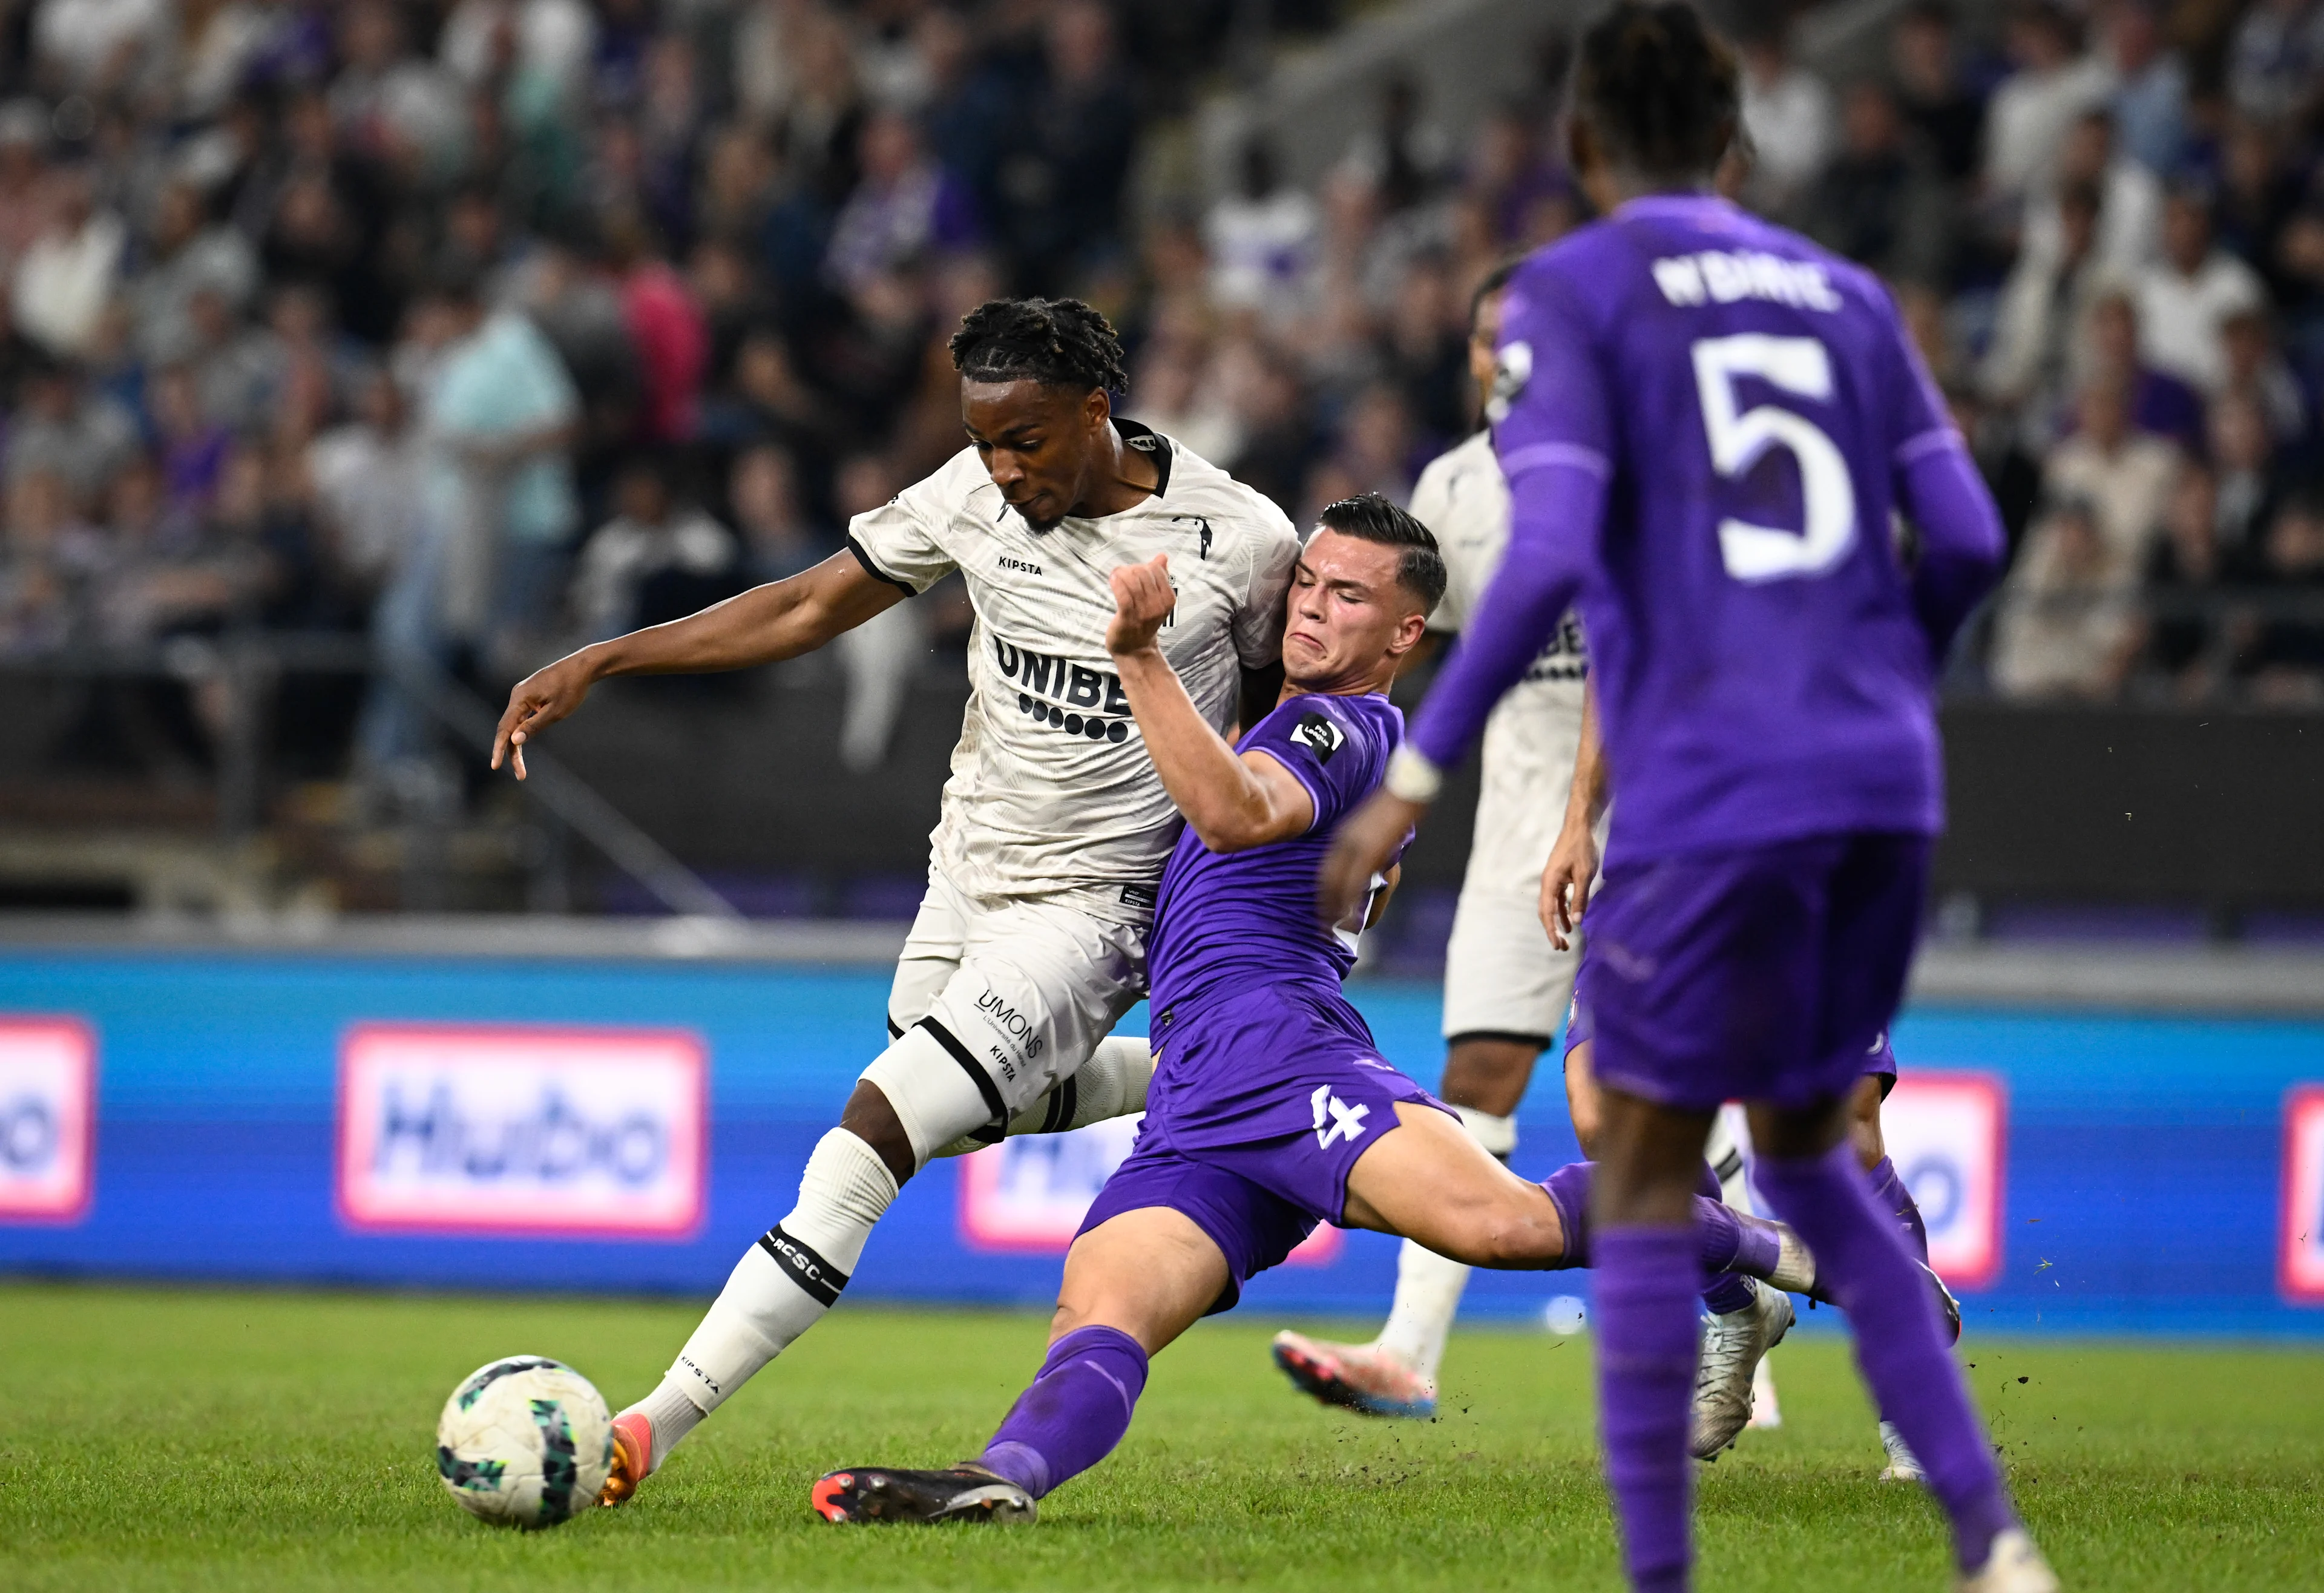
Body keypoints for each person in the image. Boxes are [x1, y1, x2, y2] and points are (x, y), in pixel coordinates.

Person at [1313, 7, 2045, 1591]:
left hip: (1701, 777)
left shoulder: (1578, 293)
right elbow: (1973, 542)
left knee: (1643, 1170)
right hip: (1872, 780)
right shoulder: (1849, 296)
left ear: (1584, 149)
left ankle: (1662, 1571)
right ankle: (1989, 1541)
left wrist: (1413, 772)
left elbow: (1562, 556)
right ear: (1737, 147)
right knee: (1815, 1138)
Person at [806, 496, 1827, 1527]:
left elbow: (1237, 814)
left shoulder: (1350, 725)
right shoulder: (1265, 720)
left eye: (1349, 595)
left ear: (1404, 633)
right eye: (1307, 581)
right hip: (1200, 1097)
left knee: (1502, 1227)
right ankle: (1002, 1478)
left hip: (1281, 1051)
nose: (1311, 608)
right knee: (1099, 1311)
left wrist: (1138, 655)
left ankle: (1761, 1252)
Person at [491, 297, 1304, 1507]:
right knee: (959, 1110)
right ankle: (1166, 1077)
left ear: (1097, 411)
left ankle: (646, 1424)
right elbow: (810, 602)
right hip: (965, 874)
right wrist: (607, 656)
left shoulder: (1238, 540)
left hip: (1093, 909)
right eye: (984, 439)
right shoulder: (972, 497)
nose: (1003, 467)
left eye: (1026, 438)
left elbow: (1284, 738)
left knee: (875, 1128)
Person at [1262, 260, 1600, 1419]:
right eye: (1483, 339)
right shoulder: (1454, 490)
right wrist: (1388, 799)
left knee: (1674, 1096)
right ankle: (1409, 1349)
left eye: (1526, 340)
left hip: (1659, 826)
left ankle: (1750, 1313)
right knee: (1479, 1080)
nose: (1500, 361)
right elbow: (1420, 655)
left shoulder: (1634, 471)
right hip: (1519, 825)